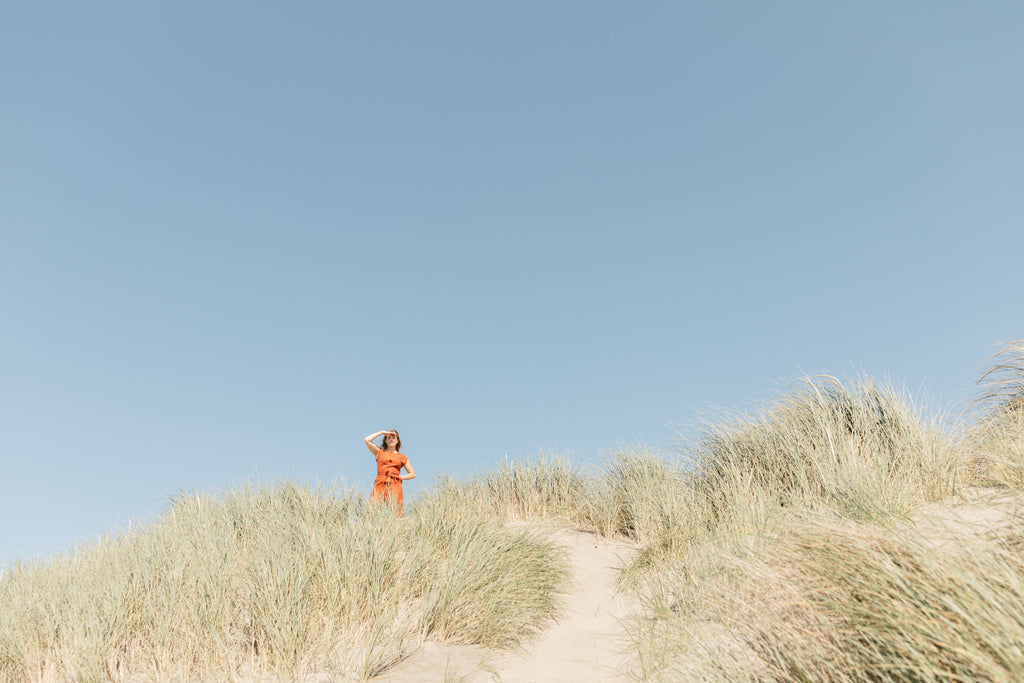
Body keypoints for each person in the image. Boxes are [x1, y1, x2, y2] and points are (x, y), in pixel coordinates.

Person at [364, 429, 415, 516]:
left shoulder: (402, 457)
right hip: (380, 482)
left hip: (395, 483)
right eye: (389, 438)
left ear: (397, 441)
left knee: (395, 511)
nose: (391, 439)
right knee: (373, 509)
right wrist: (381, 432)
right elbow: (367, 440)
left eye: (393, 437)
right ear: (385, 441)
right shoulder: (379, 452)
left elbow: (412, 474)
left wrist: (398, 477)